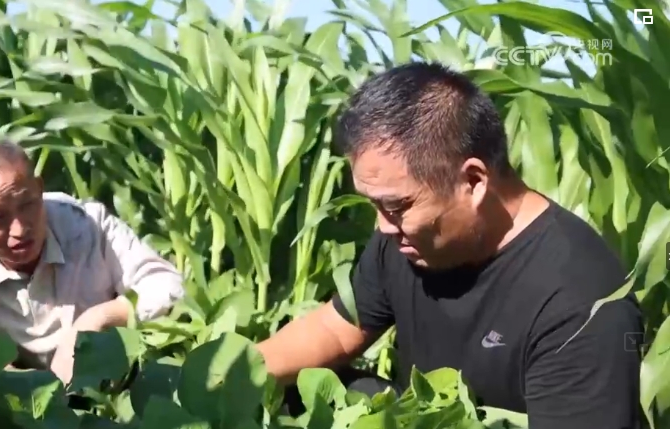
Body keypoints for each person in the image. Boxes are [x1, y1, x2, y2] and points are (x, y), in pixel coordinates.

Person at [255, 62, 643, 429]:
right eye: (374, 204)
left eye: (396, 205)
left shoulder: (580, 304)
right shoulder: (406, 238)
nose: (383, 226)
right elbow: (336, 331)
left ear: (473, 181)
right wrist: (224, 377)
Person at [0, 138, 185, 384]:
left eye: (27, 204)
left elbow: (167, 287)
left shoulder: (87, 225)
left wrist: (96, 320)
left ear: (39, 189)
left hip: (112, 383)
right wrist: (28, 388)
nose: (19, 229)